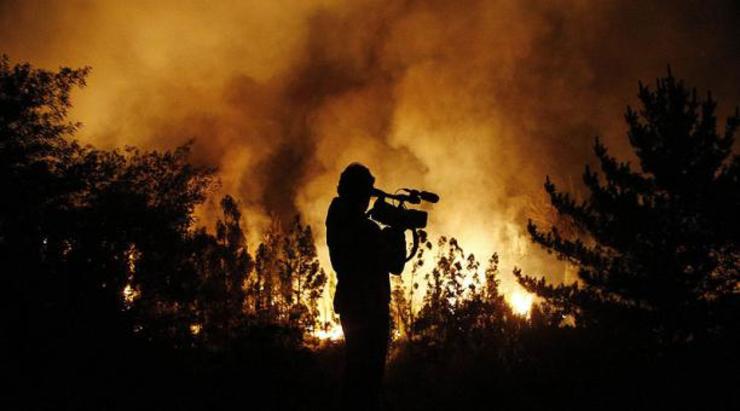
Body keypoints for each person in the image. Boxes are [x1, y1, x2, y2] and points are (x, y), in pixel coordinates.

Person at [326, 163, 406, 410]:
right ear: (359, 193)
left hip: (351, 305)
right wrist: (399, 232)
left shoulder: (338, 218)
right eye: (366, 192)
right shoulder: (364, 229)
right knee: (368, 378)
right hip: (370, 309)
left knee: (355, 373)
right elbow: (395, 265)